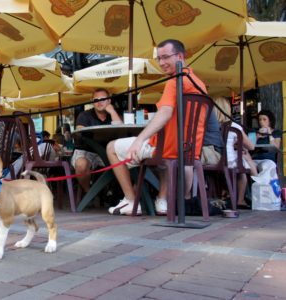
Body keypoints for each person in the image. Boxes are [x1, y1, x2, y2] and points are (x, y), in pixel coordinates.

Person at [106, 39, 207, 215]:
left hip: (167, 151)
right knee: (160, 150)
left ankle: (130, 200)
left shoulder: (175, 80)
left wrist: (139, 140)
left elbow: (165, 113)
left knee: (111, 147)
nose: (161, 63)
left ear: (180, 56)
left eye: (165, 57)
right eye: (159, 58)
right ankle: (161, 200)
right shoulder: (200, 84)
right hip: (189, 151)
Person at [72, 88, 122, 194]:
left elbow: (121, 131)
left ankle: (116, 194)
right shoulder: (84, 115)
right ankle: (89, 193)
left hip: (107, 152)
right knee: (81, 165)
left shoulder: (113, 115)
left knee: (129, 162)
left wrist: (112, 111)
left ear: (109, 101)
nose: (99, 102)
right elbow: (79, 132)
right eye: (96, 100)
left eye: (103, 99)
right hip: (86, 150)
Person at [214, 97, 256, 208]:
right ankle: (240, 200)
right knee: (242, 169)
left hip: (213, 159)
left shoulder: (210, 126)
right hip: (229, 161)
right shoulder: (234, 126)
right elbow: (251, 146)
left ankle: (223, 194)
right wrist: (237, 144)